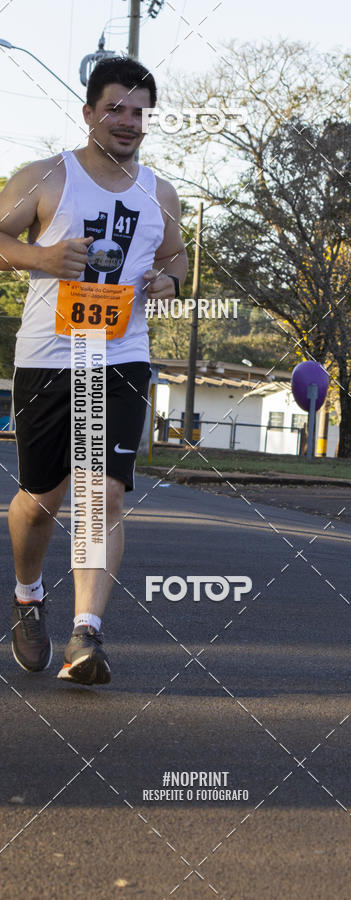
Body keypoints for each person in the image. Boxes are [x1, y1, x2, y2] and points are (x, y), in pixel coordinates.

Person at [0, 57, 187, 685]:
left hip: (122, 355)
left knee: (102, 492)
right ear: (88, 113)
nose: (128, 122)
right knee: (40, 501)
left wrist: (169, 279)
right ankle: (29, 594)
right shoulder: (46, 177)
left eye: (139, 112)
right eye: (116, 108)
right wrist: (43, 256)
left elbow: (177, 254)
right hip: (50, 357)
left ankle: (87, 635)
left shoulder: (159, 192)